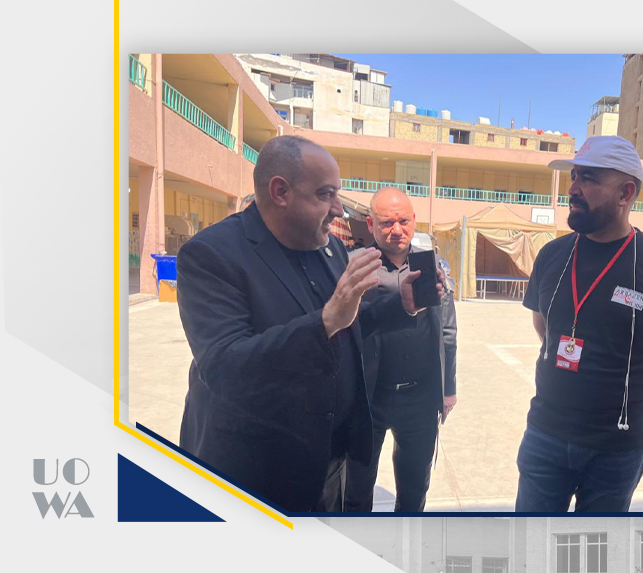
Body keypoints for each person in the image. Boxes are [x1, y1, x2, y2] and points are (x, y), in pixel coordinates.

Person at [177, 135, 441, 513]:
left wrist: (402, 304)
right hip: (256, 470)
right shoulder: (211, 255)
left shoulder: (328, 247)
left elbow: (347, 321)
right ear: (280, 192)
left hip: (327, 462)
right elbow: (225, 366)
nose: (338, 209)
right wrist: (326, 320)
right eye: (325, 194)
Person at [516, 135, 643, 512]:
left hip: (617, 449)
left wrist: (633, 385)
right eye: (574, 176)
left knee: (596, 543)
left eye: (589, 178)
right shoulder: (551, 255)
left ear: (625, 193)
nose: (573, 188)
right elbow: (544, 325)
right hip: (545, 435)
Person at [332, 187, 458, 512]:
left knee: (414, 493)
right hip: (368, 398)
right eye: (387, 223)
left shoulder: (432, 267)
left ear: (414, 220)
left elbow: (447, 331)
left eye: (403, 221)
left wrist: (448, 389)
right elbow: (341, 329)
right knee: (356, 492)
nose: (397, 230)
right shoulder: (356, 267)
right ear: (371, 224)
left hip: (420, 399)